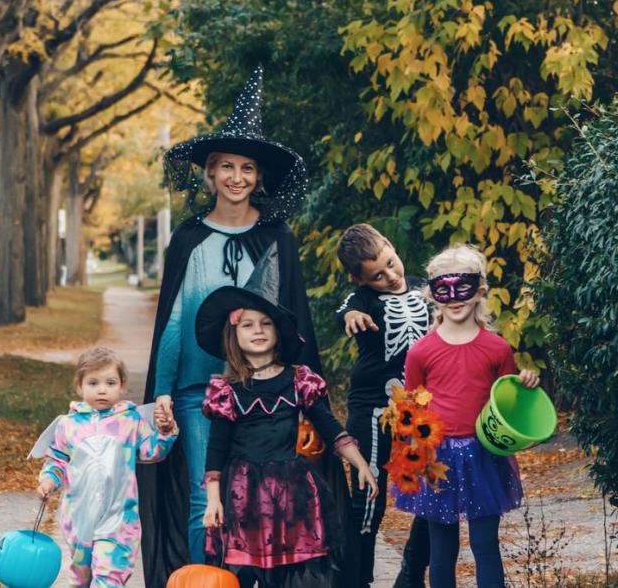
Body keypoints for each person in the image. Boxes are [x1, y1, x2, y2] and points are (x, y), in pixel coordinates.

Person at [140, 66, 333, 586]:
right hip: (197, 387)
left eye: (247, 168)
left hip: (262, 391)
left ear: (259, 177)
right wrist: (160, 390)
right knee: (209, 494)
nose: (237, 177)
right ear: (209, 173)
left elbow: (292, 321)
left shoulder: (277, 239)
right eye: (226, 166)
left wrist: (303, 393)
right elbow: (176, 321)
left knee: (266, 499)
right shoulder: (188, 238)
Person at [194, 275, 377, 588]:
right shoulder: (227, 390)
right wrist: (213, 500)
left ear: (278, 332)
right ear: (233, 333)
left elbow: (329, 426)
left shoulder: (298, 379)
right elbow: (216, 448)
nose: (258, 331)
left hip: (292, 493)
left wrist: (359, 463)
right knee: (240, 571)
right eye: (248, 325)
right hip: (243, 494)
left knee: (294, 572)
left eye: (266, 323)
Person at [396, 245, 541, 588]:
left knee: (485, 544)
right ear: (432, 294)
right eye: (443, 288)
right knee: (442, 547)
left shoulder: (497, 348)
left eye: (462, 286)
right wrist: (413, 458)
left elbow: (507, 403)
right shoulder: (421, 352)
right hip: (437, 458)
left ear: (480, 289)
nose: (453, 297)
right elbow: (410, 410)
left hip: (483, 456)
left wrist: (526, 384)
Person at [333, 224, 431, 588]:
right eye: (377, 275)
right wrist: (350, 317)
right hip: (372, 405)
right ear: (360, 279)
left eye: (391, 263)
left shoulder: (426, 288)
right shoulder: (362, 299)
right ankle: (357, 577)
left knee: (434, 487)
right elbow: (344, 309)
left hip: (420, 406)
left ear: (391, 245)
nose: (390, 276)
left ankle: (411, 572)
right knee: (369, 490)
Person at [33, 348, 178, 588]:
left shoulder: (131, 421)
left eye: (110, 382)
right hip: (78, 519)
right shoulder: (68, 425)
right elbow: (58, 460)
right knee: (81, 579)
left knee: (109, 578)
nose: (102, 389)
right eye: (93, 382)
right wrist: (49, 480)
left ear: (122, 386)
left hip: (119, 519)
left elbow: (152, 453)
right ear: (79, 386)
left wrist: (164, 433)